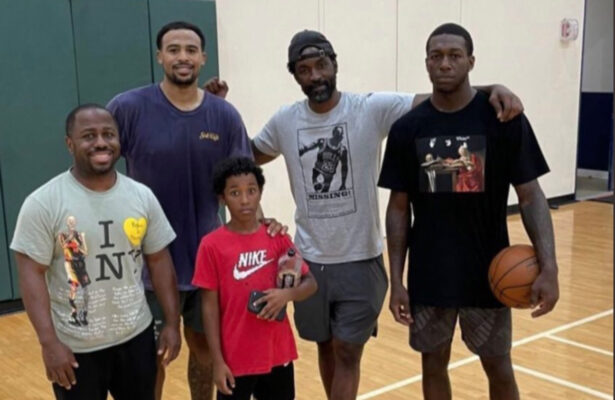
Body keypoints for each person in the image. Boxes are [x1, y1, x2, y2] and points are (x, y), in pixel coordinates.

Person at [205, 29, 524, 400]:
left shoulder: (371, 108)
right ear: (294, 74)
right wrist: (220, 112)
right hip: (307, 260)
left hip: (360, 259)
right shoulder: (284, 120)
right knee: (325, 347)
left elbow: (442, 93)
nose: (315, 76)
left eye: (321, 65)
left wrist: (491, 88)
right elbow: (244, 158)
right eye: (304, 70)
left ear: (334, 64)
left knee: (347, 350)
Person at [378, 23, 559, 400]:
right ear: (426, 63)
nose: (445, 63)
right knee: (432, 365)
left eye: (455, 55)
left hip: (490, 271)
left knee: (499, 366)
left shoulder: (504, 120)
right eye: (436, 56)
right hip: (430, 274)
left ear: (471, 61)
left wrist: (550, 267)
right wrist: (397, 280)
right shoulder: (407, 128)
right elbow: (398, 209)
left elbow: (531, 197)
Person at [107, 21, 269, 400]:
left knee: (207, 352)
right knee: (150, 361)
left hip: (207, 265)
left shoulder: (224, 116)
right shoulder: (128, 108)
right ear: (160, 56)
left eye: (191, 50)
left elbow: (243, 185)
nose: (183, 57)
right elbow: (100, 169)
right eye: (174, 49)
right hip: (145, 266)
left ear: (203, 58)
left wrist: (262, 235)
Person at [10, 104, 181, 399]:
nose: (101, 142)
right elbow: (31, 275)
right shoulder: (43, 203)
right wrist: (49, 343)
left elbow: (159, 260)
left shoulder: (141, 196)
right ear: (69, 143)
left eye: (108, 134)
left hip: (136, 337)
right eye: (89, 136)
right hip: (76, 347)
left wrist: (171, 322)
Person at [192, 157, 317, 400]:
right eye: (235, 193)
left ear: (260, 193)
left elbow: (311, 283)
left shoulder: (276, 237)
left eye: (251, 191)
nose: (245, 200)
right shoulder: (211, 246)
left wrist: (287, 295)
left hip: (277, 354)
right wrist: (217, 362)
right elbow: (209, 307)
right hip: (235, 358)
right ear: (222, 198)